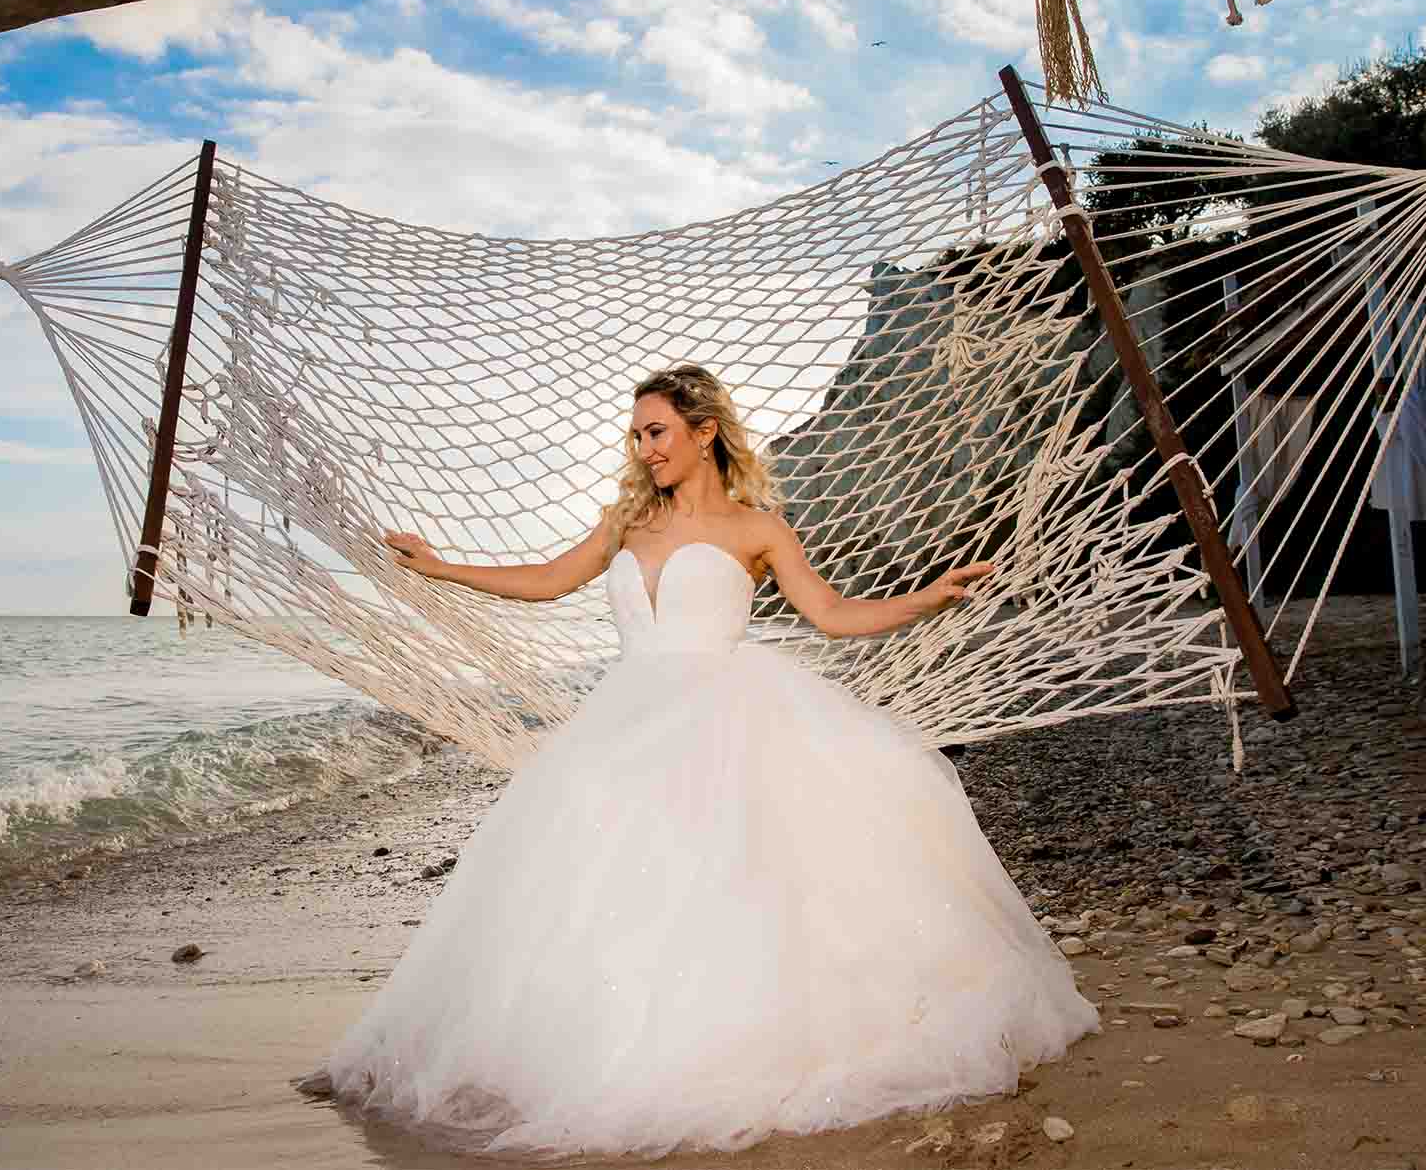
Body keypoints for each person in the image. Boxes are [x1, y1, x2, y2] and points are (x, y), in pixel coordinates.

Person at [303, 363, 1099, 1157]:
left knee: (729, 880)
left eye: (656, 431)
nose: (644, 448)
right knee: (603, 880)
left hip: (727, 717)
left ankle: (727, 1043)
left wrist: (925, 598)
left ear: (703, 431)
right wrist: (439, 566)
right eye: (636, 435)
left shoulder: (758, 529)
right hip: (624, 722)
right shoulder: (626, 522)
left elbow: (831, 614)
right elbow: (547, 580)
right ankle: (600, 1049)